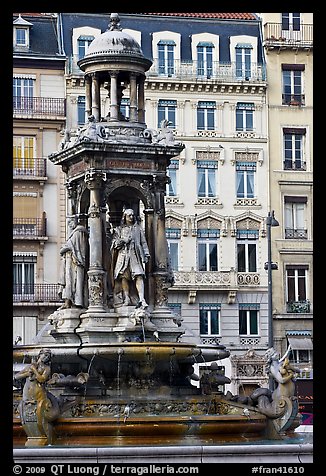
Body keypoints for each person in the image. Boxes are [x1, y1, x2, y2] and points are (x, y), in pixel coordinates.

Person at [111, 209, 150, 308]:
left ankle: (142, 299)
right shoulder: (119, 229)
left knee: (139, 275)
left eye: (133, 215)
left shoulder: (138, 229)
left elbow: (143, 242)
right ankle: (127, 298)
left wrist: (146, 254)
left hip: (135, 255)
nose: (131, 217)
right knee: (123, 276)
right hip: (123, 255)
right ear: (125, 217)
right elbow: (114, 243)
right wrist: (123, 241)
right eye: (129, 215)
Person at [58, 219, 89, 309]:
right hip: (70, 261)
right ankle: (68, 302)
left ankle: (75, 302)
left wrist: (64, 249)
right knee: (69, 283)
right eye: (68, 223)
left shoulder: (78, 232)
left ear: (75, 222)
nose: (69, 225)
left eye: (71, 222)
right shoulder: (74, 234)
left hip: (75, 262)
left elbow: (69, 246)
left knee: (74, 283)